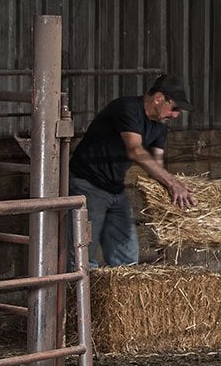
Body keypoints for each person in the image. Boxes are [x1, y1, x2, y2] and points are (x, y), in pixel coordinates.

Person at [69, 74, 194, 267]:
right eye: (174, 108)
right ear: (159, 98)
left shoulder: (160, 128)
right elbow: (135, 150)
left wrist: (171, 198)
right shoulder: (127, 108)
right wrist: (173, 183)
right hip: (87, 185)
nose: (175, 115)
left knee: (127, 259)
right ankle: (79, 296)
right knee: (83, 254)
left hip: (115, 189)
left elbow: (157, 165)